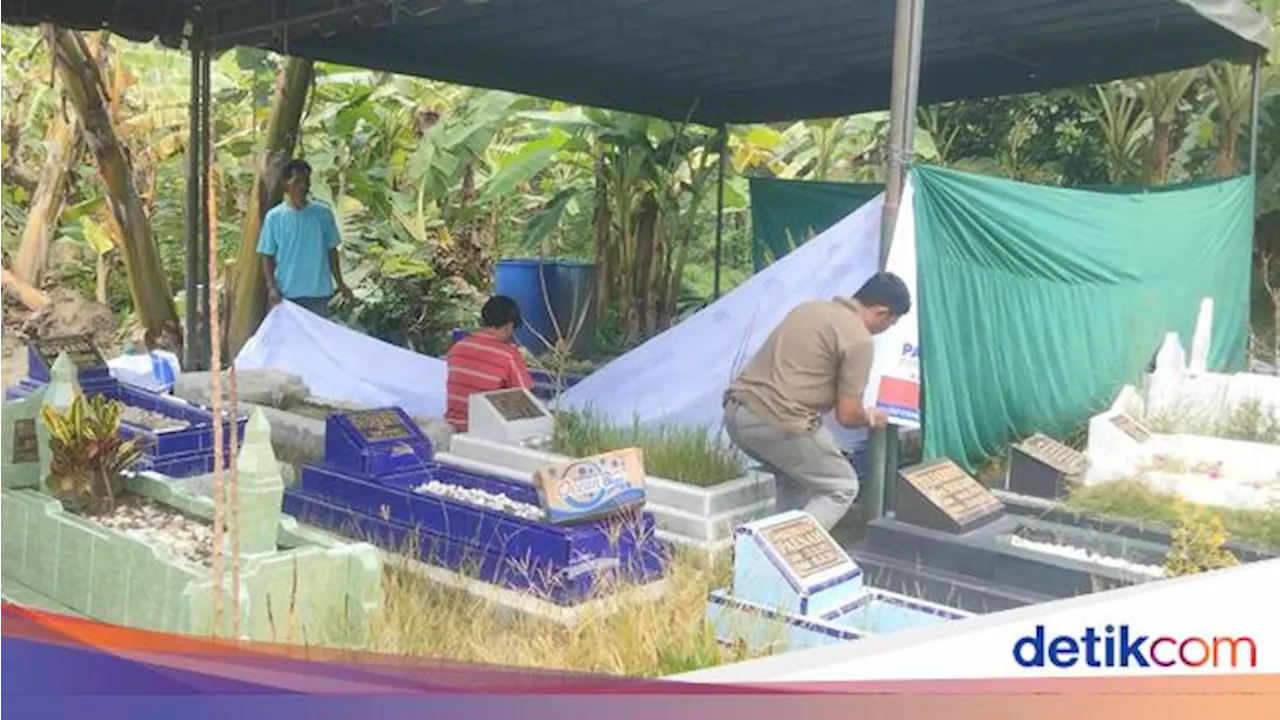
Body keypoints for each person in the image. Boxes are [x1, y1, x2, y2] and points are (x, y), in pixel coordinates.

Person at [722, 271, 912, 531]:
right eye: (891, 323)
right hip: (779, 422)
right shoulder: (858, 339)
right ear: (881, 312)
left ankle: (763, 547)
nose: (886, 330)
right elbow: (847, 416)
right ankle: (785, 555)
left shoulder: (809, 309)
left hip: (736, 413)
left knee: (796, 479)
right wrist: (869, 416)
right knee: (841, 487)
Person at [256, 158, 355, 318]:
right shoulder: (274, 217)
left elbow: (332, 251)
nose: (304, 185)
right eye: (298, 181)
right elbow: (267, 256)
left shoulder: (323, 214)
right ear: (286, 184)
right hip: (287, 294)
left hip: (319, 293)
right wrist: (271, 288)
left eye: (306, 180)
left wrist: (341, 283)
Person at [445, 295, 536, 433]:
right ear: (510, 325)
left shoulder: (457, 348)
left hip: (452, 427)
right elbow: (524, 398)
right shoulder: (509, 356)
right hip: (486, 431)